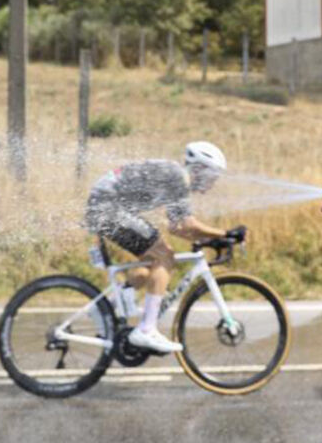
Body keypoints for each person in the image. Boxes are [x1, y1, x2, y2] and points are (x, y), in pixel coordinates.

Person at [84, 141, 236, 354]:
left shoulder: (175, 176)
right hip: (108, 208)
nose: (213, 183)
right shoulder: (177, 177)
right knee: (165, 256)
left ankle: (102, 309)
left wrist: (209, 239)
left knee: (150, 267)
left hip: (105, 206)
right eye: (213, 176)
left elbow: (177, 228)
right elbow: (187, 225)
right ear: (200, 169)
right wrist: (225, 234)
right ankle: (146, 330)